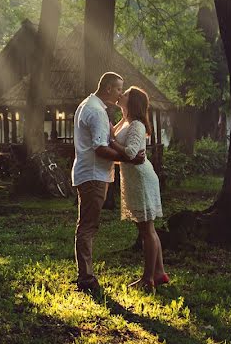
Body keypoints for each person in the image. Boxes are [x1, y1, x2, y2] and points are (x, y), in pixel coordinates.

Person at [72, 71, 145, 292]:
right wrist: (128, 157)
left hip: (92, 173)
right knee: (87, 225)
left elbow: (107, 139)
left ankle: (86, 275)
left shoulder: (92, 106)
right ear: (108, 89)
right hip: (93, 175)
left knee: (87, 224)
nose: (120, 94)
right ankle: (86, 278)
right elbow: (100, 148)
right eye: (119, 89)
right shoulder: (95, 111)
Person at [110, 86, 168, 291]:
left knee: (147, 230)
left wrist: (111, 140)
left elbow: (131, 151)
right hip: (133, 178)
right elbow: (124, 153)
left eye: (124, 94)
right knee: (146, 228)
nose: (120, 95)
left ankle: (147, 279)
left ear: (132, 101)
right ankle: (159, 273)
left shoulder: (136, 125)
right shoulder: (126, 122)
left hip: (142, 178)